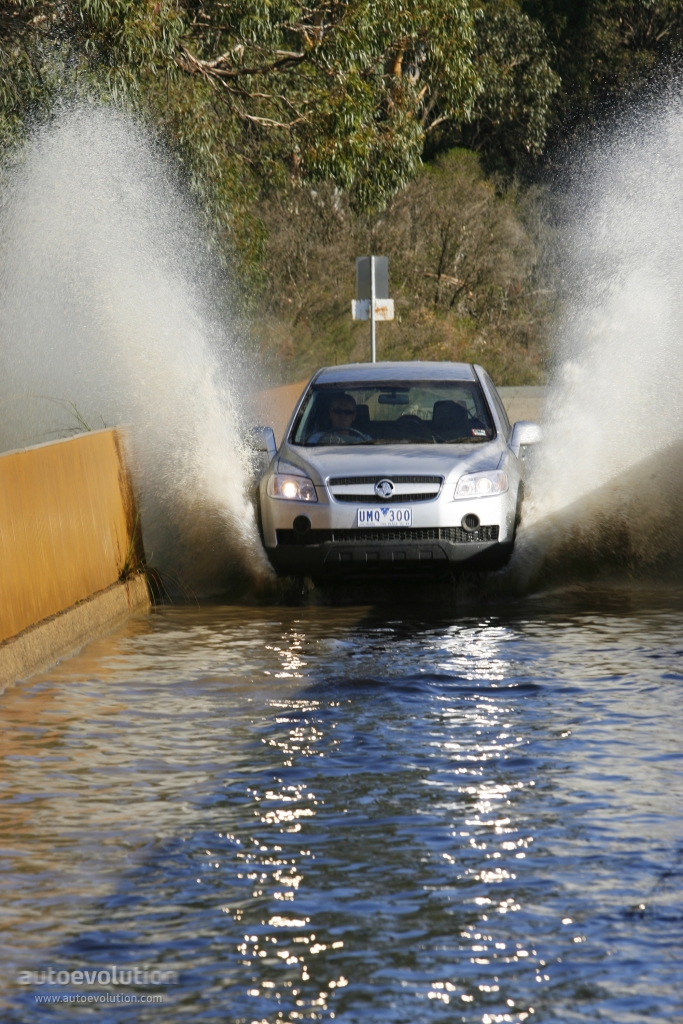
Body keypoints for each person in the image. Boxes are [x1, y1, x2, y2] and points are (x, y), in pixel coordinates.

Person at [306, 392, 371, 444]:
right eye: (338, 411)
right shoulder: (317, 438)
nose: (342, 415)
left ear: (353, 416)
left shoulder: (365, 439)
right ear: (331, 414)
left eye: (348, 412)